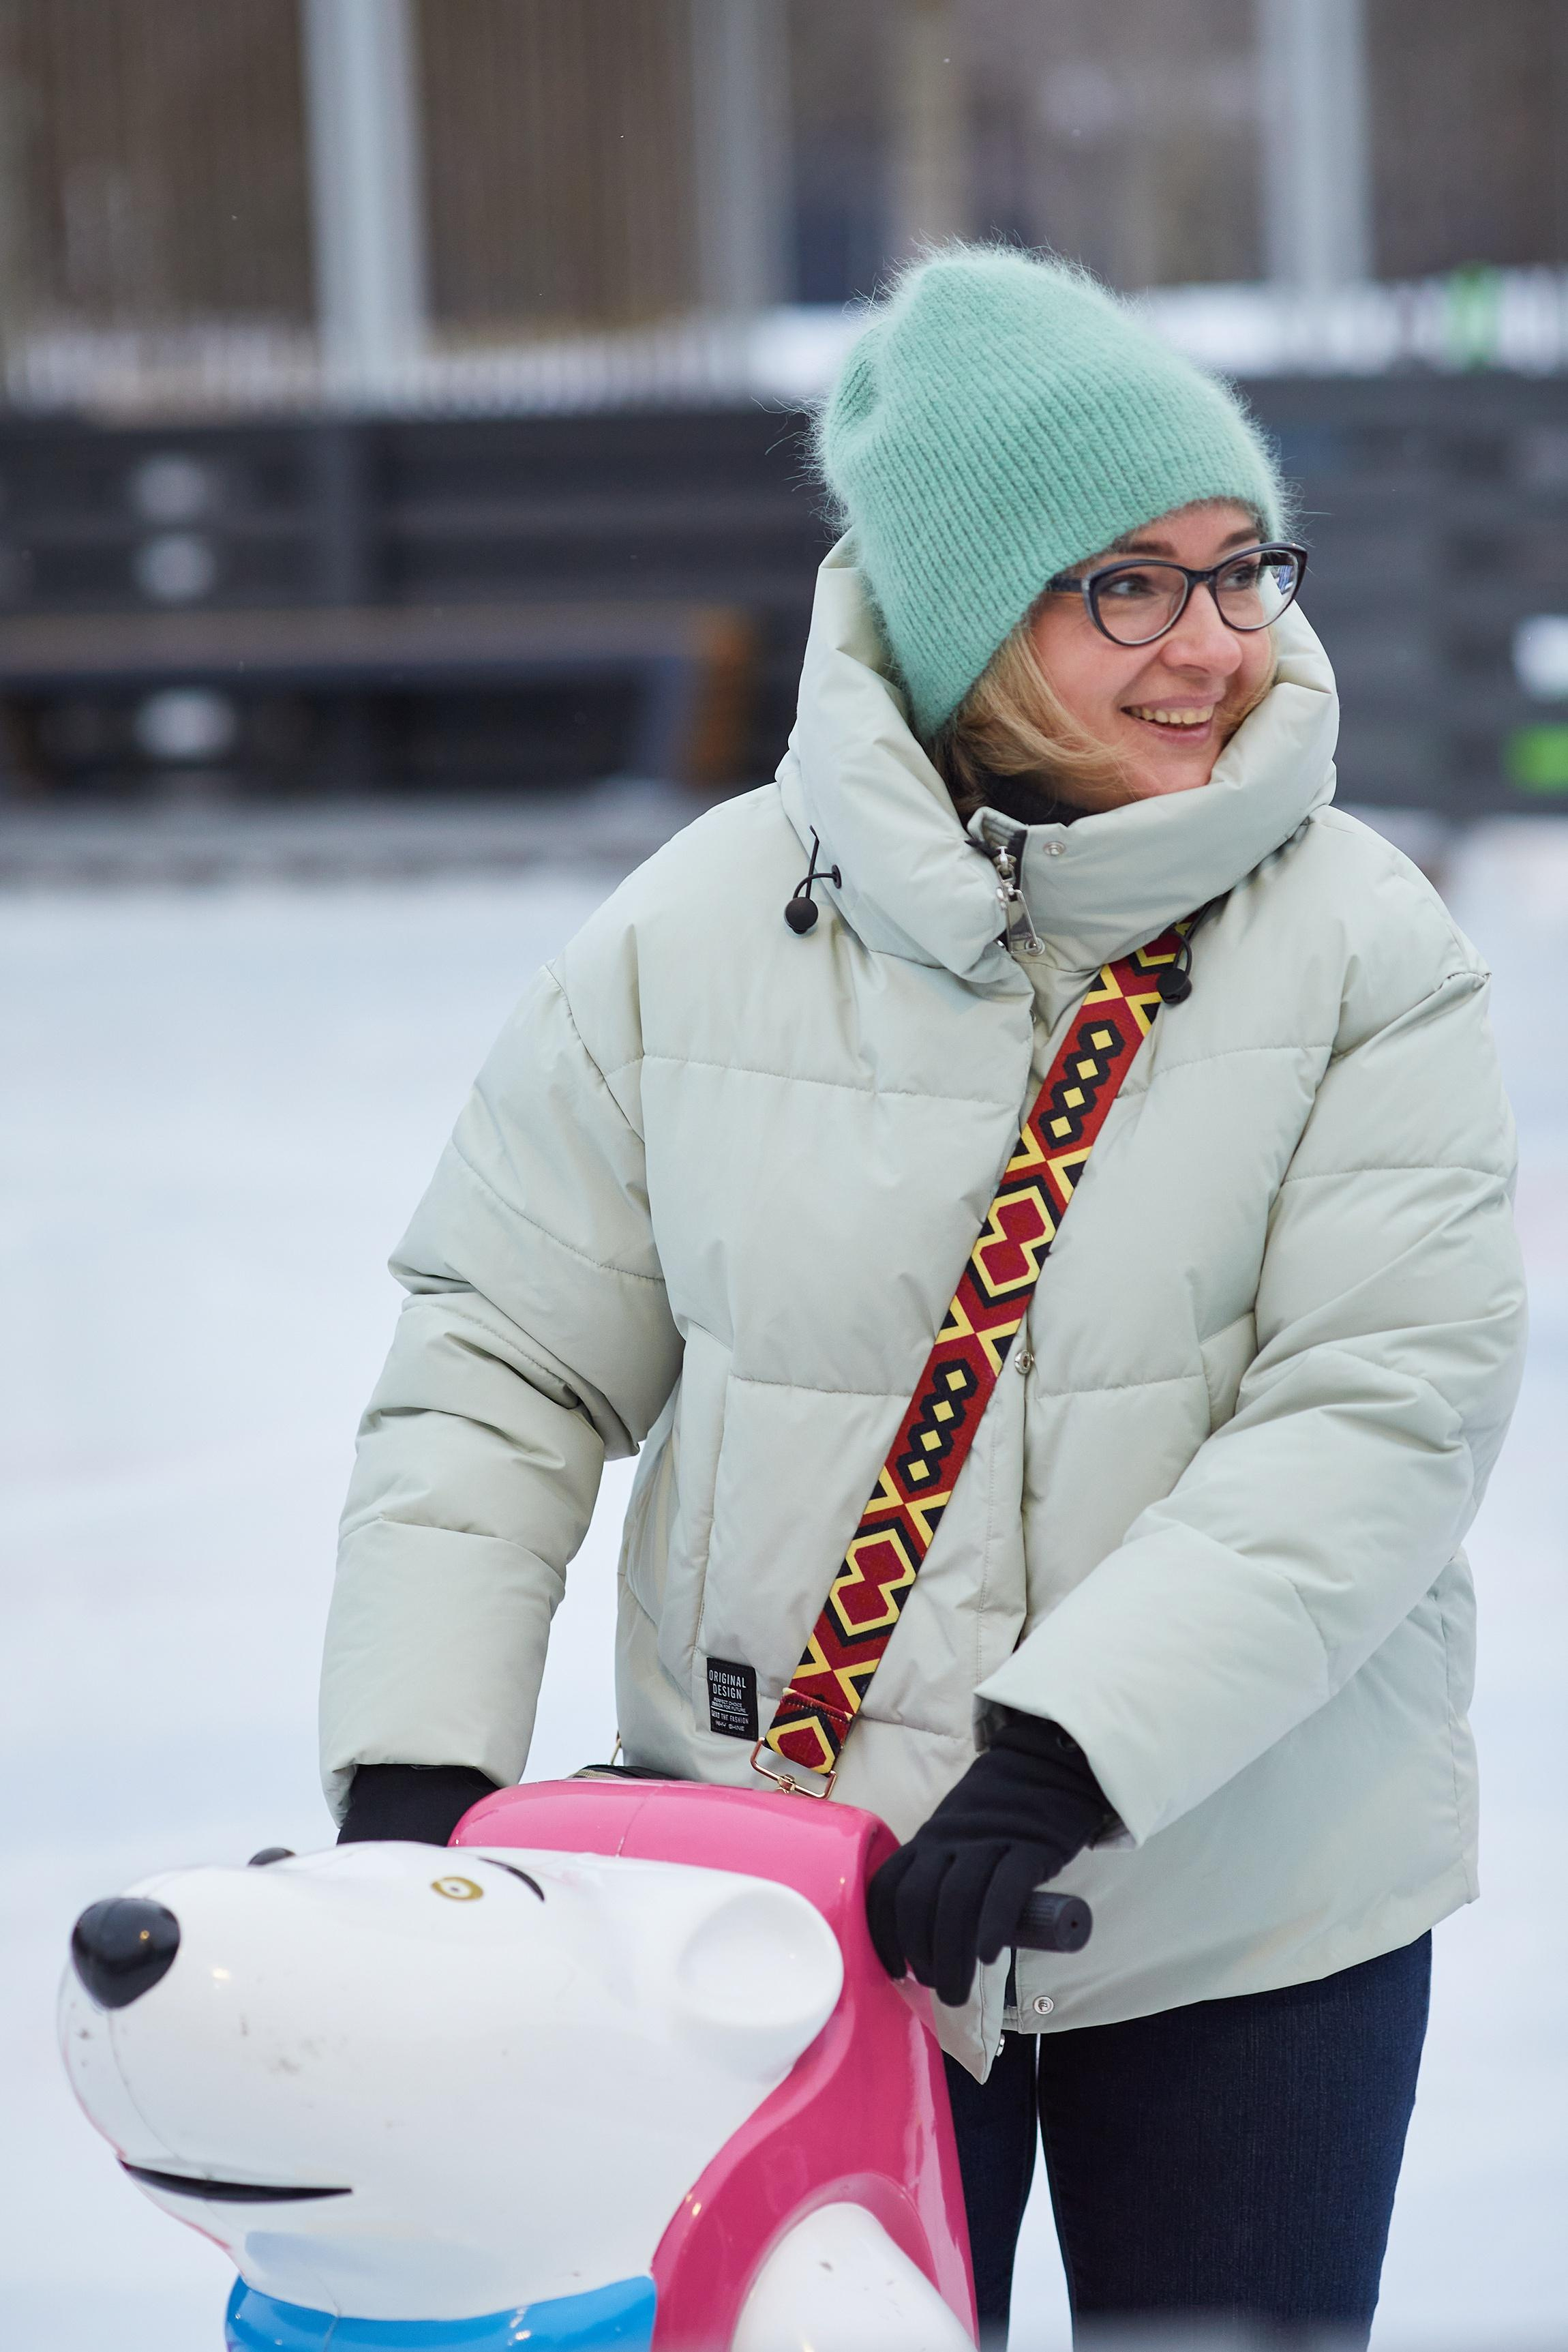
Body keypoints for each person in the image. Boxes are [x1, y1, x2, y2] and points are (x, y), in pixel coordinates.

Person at [319, 250, 1525, 2346]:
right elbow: (492, 1369)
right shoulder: (689, 936)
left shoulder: (1356, 942)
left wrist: (1068, 1748)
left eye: (1242, 570)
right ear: (970, 618)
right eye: (1124, 587)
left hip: (1253, 1905)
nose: (1214, 645)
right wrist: (414, 1776)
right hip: (791, 1911)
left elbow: (1382, 1399)